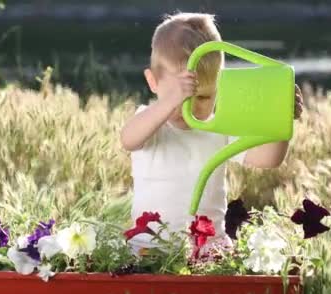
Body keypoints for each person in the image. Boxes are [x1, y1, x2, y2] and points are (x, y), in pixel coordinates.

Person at [120, 12, 304, 255]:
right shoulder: (152, 123)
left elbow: (268, 159)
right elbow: (128, 139)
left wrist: (281, 119)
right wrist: (168, 103)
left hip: (208, 249)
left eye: (204, 97)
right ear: (153, 82)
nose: (190, 106)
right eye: (180, 96)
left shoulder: (219, 128)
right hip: (150, 249)